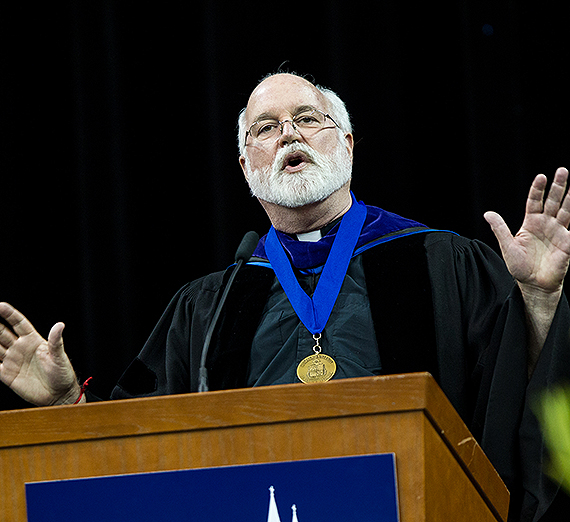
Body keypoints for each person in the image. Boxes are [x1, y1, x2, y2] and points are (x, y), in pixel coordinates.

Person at [1, 72, 569, 521]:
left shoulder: (444, 262)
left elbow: (518, 403)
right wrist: (66, 404)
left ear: (346, 144)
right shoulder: (211, 304)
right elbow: (149, 450)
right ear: (247, 165)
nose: (289, 134)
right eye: (266, 128)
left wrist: (539, 301)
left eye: (306, 118)